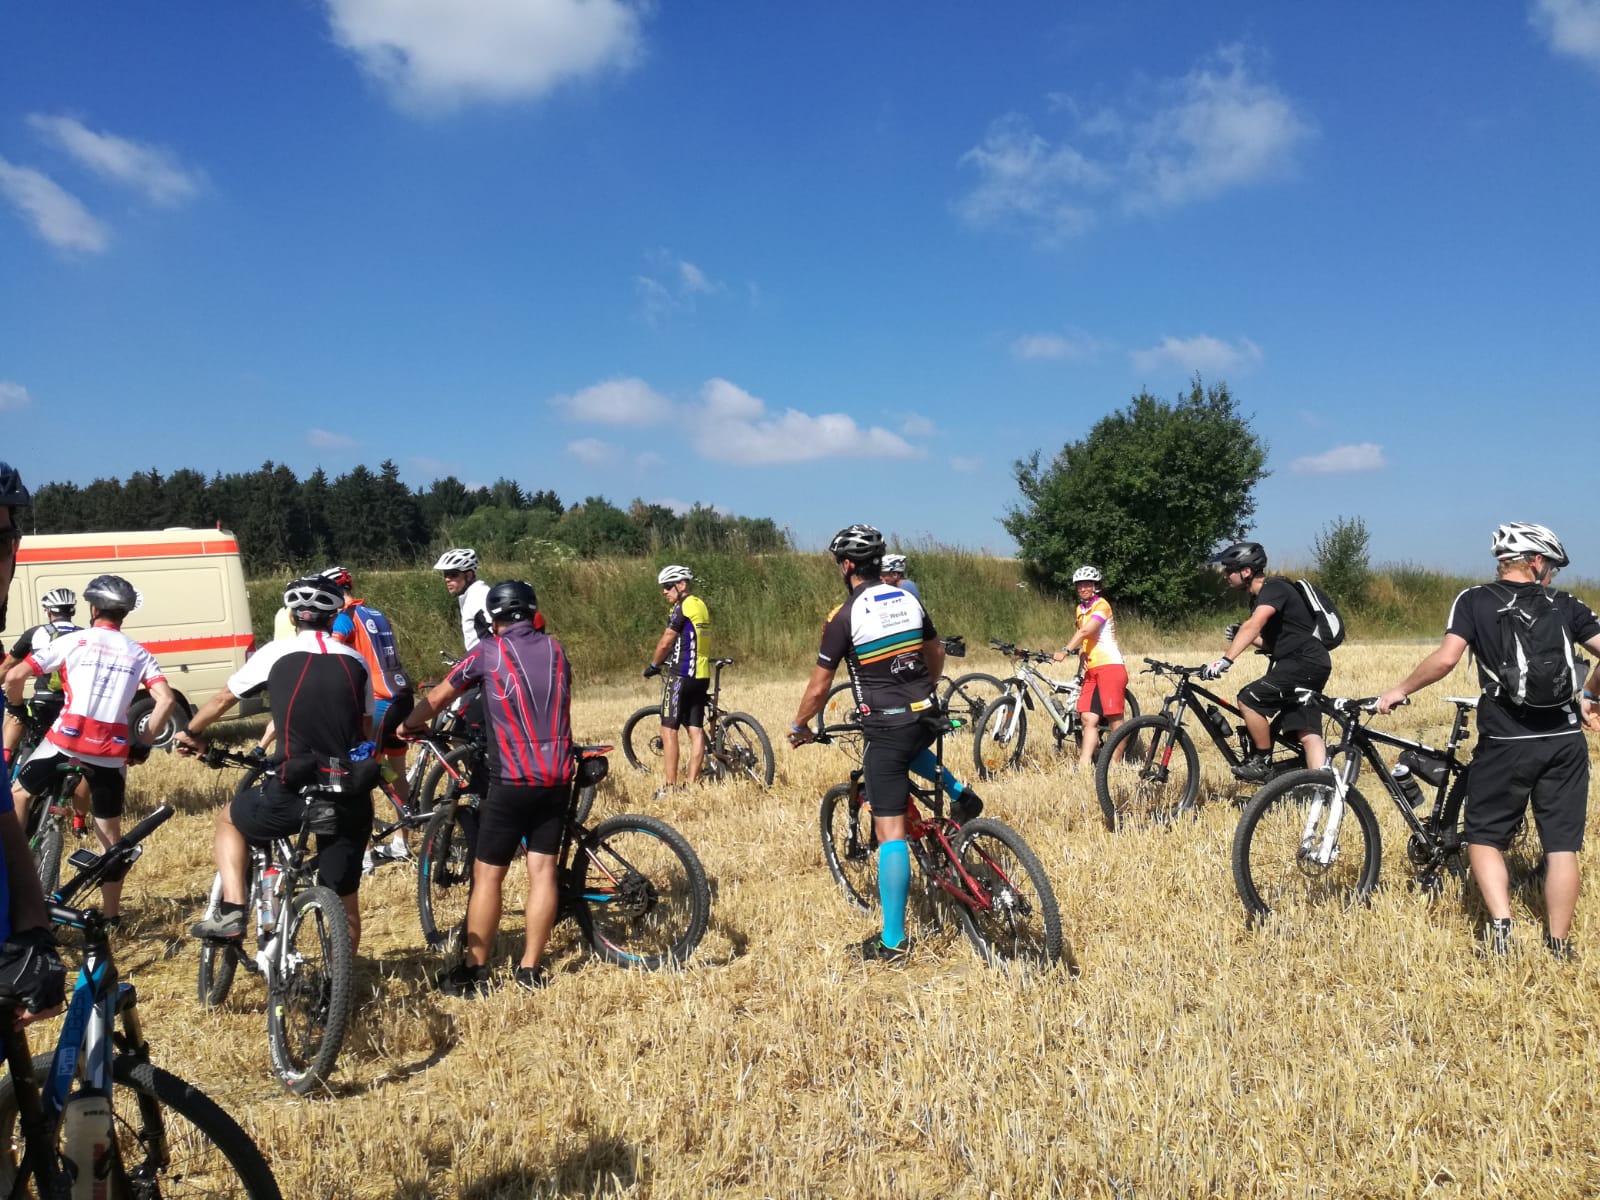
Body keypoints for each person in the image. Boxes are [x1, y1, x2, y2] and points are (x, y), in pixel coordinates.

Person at [1377, 522, 1600, 958]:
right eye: (1551, 567)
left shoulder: (1474, 600)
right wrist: (1591, 695)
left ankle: (1500, 932)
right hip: (1564, 739)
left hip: (1505, 740)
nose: (1552, 575)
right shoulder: (1567, 604)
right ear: (1536, 562)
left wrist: (1399, 690)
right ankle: (1558, 944)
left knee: (1484, 837)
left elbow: (1446, 660)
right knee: (1561, 847)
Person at [787, 524, 979, 963]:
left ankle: (892, 941)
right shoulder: (907, 599)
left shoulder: (844, 616)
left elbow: (819, 687)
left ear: (847, 566)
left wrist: (799, 725)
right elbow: (936, 651)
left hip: (887, 727)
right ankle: (959, 793)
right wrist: (925, 688)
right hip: (926, 713)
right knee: (911, 749)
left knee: (889, 832)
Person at [180, 576, 375, 951]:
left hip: (293, 789)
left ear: (291, 616)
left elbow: (223, 700)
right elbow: (365, 730)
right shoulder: (356, 660)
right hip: (348, 793)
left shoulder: (276, 653)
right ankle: (341, 978)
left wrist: (190, 731)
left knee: (229, 820)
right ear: (335, 617)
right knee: (345, 899)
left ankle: (233, 911)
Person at [399, 580, 574, 996]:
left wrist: (407, 725)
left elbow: (440, 696)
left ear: (494, 620)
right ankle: (530, 969)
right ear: (532, 612)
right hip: (556, 776)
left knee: (488, 876)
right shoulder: (556, 649)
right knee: (542, 871)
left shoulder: (488, 651)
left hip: (512, 779)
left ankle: (475, 971)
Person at [5, 575, 175, 923]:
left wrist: (17, 708)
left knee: (19, 795)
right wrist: (143, 744)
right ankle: (111, 916)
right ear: (124, 614)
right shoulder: (139, 653)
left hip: (65, 741)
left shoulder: (75, 640)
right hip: (110, 754)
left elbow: (14, 676)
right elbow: (166, 700)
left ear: (94, 609)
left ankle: (13, 878)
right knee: (110, 840)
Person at [0, 462, 68, 1026]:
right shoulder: (83, 634)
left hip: (45, 711)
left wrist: (32, 923)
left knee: (17, 782)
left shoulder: (34, 634)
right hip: (77, 728)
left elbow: (16, 671)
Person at [1201, 541, 1330, 781]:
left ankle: (1262, 761)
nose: (1225, 575)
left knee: (1249, 699)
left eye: (1229, 570)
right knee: (1306, 731)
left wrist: (1226, 660)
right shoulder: (1260, 597)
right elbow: (1275, 643)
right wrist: (1247, 637)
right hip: (1309, 662)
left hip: (1303, 661)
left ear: (1246, 571)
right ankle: (1322, 787)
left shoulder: (1274, 588)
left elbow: (1255, 623)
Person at [324, 567, 416, 848]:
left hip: (379, 701)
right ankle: (401, 842)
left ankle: (363, 853)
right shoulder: (374, 613)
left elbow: (332, 654)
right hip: (402, 696)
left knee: (360, 775)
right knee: (397, 771)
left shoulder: (344, 618)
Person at [643, 565, 712, 797]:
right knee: (695, 729)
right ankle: (691, 784)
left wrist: (654, 665)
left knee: (668, 729)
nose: (664, 591)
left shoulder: (681, 608)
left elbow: (666, 641)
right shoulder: (700, 605)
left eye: (667, 586)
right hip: (701, 675)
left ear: (681, 585)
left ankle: (670, 787)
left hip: (681, 675)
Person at [1051, 565, 1127, 769]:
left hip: (1110, 666)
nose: (1083, 588)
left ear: (1096, 586)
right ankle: (1084, 765)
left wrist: (1065, 650)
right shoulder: (1080, 609)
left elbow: (1086, 631)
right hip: (1092, 670)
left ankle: (1115, 764)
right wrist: (1082, 652)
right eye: (1080, 585)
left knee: (1114, 718)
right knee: (1087, 717)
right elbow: (1086, 638)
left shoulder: (1102, 605)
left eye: (1087, 584)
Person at [2, 588, 81, 773]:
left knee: (16, 717)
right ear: (72, 611)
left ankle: (3, 765)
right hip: (73, 706)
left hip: (44, 701)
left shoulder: (36, 633)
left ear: (48, 611)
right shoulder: (85, 635)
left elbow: (7, 667)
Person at [433, 548, 492, 653]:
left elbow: (502, 634)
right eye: (445, 575)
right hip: (478, 659)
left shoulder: (479, 596)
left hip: (489, 660)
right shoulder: (467, 595)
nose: (447, 579)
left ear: (468, 575)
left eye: (453, 575)